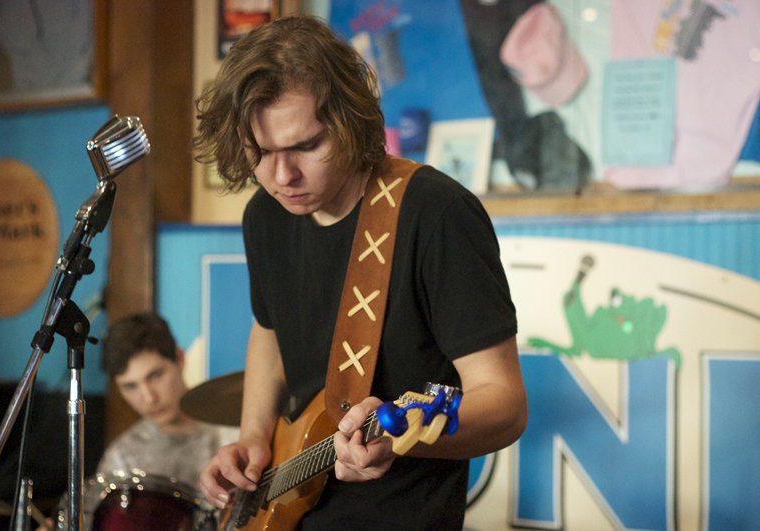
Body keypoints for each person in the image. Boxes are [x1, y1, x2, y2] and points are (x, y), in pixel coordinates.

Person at [193, 15, 528, 530]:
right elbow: (271, 330)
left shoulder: (436, 214)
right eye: (261, 152)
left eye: (306, 146)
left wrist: (397, 439)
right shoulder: (264, 216)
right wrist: (253, 438)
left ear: (351, 121)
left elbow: (504, 404)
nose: (282, 176)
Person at [95, 312, 239, 488]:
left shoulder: (241, 427)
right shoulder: (121, 461)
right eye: (130, 386)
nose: (149, 398)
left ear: (179, 358)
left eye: (155, 376)